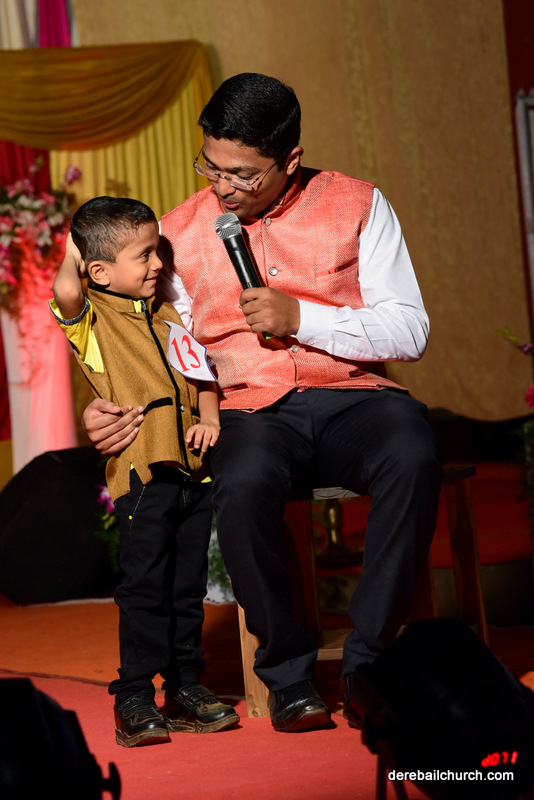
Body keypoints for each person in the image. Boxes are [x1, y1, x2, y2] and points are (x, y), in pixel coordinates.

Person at [82, 74, 443, 734]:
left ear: (289, 161)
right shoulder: (176, 232)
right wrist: (106, 405)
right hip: (247, 407)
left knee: (413, 451)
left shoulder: (359, 204)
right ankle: (289, 676)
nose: (222, 188)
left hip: (354, 398)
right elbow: (149, 342)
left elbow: (410, 330)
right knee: (241, 481)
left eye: (242, 175)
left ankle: (368, 663)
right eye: (211, 167)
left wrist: (303, 318)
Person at [50, 196, 239, 747]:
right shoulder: (91, 319)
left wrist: (210, 419)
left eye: (157, 251)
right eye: (144, 255)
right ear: (99, 271)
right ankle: (133, 695)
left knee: (186, 587)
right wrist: (75, 247)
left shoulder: (168, 314)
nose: (159, 264)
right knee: (144, 588)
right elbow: (66, 292)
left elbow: (202, 375)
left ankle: (185, 686)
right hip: (141, 473)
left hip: (192, 471)